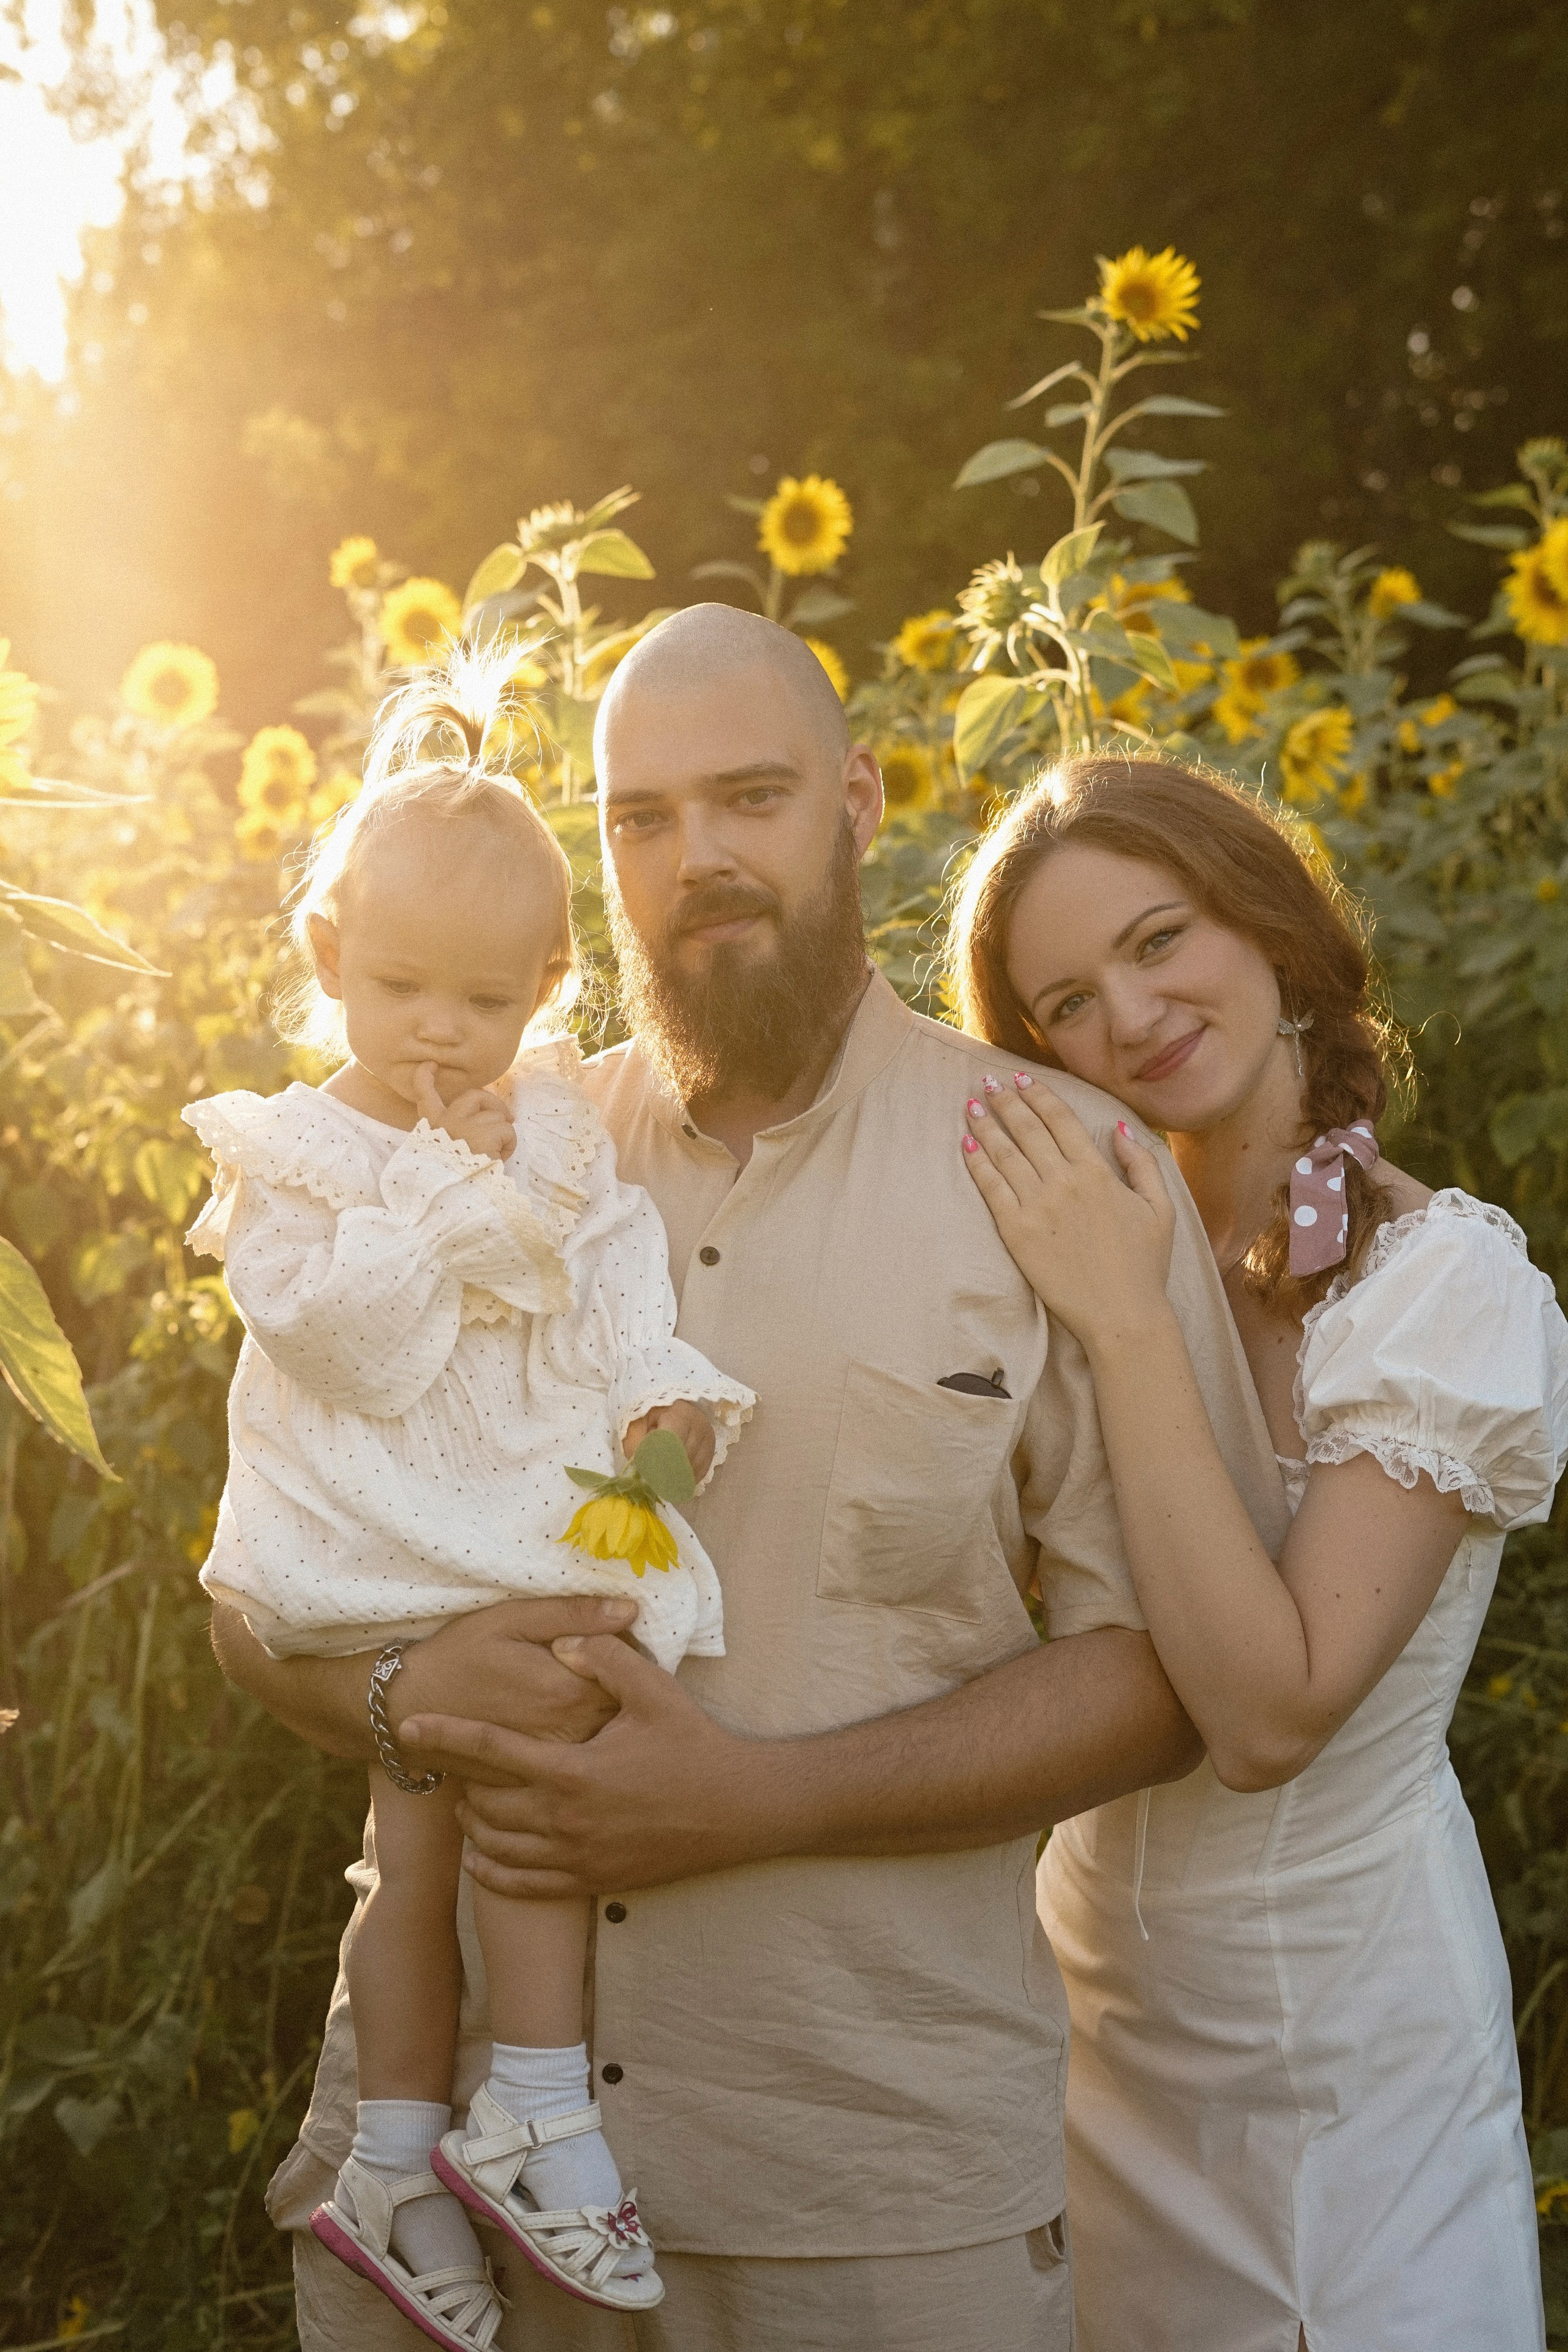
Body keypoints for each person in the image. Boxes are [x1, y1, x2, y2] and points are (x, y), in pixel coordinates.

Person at [213, 607, 1287, 2352]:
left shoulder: (1056, 1167)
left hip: (862, 2192)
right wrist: (399, 1689)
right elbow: (255, 1592)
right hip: (437, 2212)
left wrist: (756, 1800)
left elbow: (1169, 1677)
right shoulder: (464, 1142)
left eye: (752, 797)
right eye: (642, 817)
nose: (697, 856)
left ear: (858, 801)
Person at [951, 753, 1568, 2352]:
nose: (1133, 1016)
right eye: (1068, 1001)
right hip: (1081, 2027)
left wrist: (1124, 1323)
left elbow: (1271, 1717)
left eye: (1162, 941)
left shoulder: (1442, 1294)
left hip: (1343, 2067)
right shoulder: (1078, 1254)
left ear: (1269, 928)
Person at [187, 641, 753, 2343]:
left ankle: (407, 2148)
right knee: (501, 1800)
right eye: (404, 989)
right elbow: (341, 1345)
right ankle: (532, 2103)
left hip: (504, 1512)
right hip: (372, 1528)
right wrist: (437, 1200)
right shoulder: (294, 1154)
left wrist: (662, 1405)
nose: (441, 1038)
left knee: (437, 1845)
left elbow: (608, 1285)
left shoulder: (559, 1135)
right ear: (328, 957)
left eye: (486, 1006)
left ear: (548, 988)